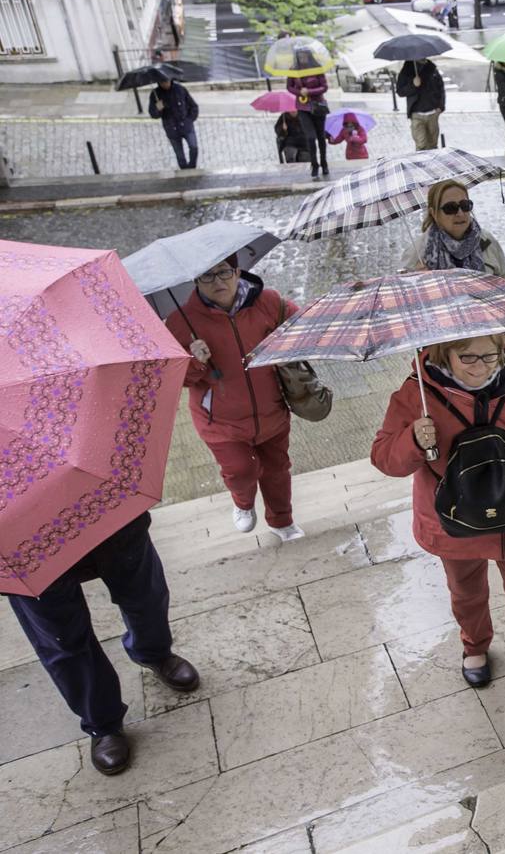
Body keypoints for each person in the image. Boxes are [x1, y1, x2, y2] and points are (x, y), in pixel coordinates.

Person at [370, 334, 505, 706]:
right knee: (466, 592)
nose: (480, 367)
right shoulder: (415, 395)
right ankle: (475, 646)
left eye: (490, 355)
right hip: (452, 524)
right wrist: (413, 440)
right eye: (467, 357)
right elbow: (384, 458)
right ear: (442, 354)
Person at [7, 512, 200, 775]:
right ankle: (102, 721)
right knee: (62, 638)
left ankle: (153, 651)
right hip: (19, 540)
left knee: (145, 595)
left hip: (99, 505)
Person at [165, 254, 306, 542]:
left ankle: (283, 522)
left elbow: (304, 327)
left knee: (277, 470)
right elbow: (174, 379)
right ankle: (242, 503)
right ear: (196, 280)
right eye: (208, 276)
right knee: (241, 470)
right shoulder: (181, 321)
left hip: (271, 410)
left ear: (237, 271)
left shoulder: (268, 302)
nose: (218, 281)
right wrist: (194, 361)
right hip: (220, 422)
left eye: (224, 272)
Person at [286, 67, 330, 179]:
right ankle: (314, 164)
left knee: (321, 137)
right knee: (310, 137)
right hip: (303, 108)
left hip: (318, 106)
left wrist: (309, 92)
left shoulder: (317, 68)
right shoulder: (293, 69)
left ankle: (324, 163)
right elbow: (289, 87)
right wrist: (299, 92)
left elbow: (324, 87)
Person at [147, 76, 199, 170]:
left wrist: (189, 120)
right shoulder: (155, 94)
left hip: (186, 127)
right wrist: (158, 109)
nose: (165, 84)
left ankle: (192, 168)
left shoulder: (180, 89)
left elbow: (193, 106)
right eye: (162, 82)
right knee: (180, 155)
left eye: (166, 81)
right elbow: (153, 114)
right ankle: (184, 171)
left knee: (194, 147)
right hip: (171, 130)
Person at [397, 59, 445, 151]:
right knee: (421, 145)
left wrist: (440, 107)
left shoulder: (431, 68)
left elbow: (440, 88)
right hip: (417, 115)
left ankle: (433, 165)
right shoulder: (407, 69)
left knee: (433, 145)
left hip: (433, 114)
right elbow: (400, 91)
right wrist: (413, 85)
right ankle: (422, 165)